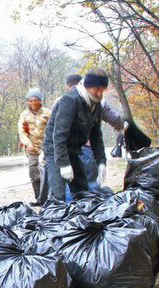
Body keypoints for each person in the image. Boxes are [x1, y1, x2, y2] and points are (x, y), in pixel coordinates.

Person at [43, 68, 113, 200]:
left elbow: (96, 136)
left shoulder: (96, 104)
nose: (99, 93)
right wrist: (63, 164)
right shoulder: (70, 100)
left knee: (82, 190)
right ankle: (54, 217)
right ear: (87, 86)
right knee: (58, 195)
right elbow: (59, 135)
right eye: (96, 89)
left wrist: (101, 162)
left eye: (102, 90)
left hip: (74, 150)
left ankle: (80, 219)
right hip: (55, 150)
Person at [61, 74, 129, 201]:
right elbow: (112, 117)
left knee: (70, 188)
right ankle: (87, 216)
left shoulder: (63, 101)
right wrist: (124, 125)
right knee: (90, 187)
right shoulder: (96, 99)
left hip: (71, 152)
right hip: (86, 150)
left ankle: (73, 216)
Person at [17, 87, 52, 206]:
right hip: (32, 149)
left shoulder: (47, 113)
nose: (33, 103)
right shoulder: (25, 115)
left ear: (40, 100)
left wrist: (49, 143)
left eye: (35, 100)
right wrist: (28, 143)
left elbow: (53, 128)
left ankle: (48, 197)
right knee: (33, 173)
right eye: (30, 101)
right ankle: (38, 198)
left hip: (46, 148)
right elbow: (21, 131)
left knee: (46, 173)